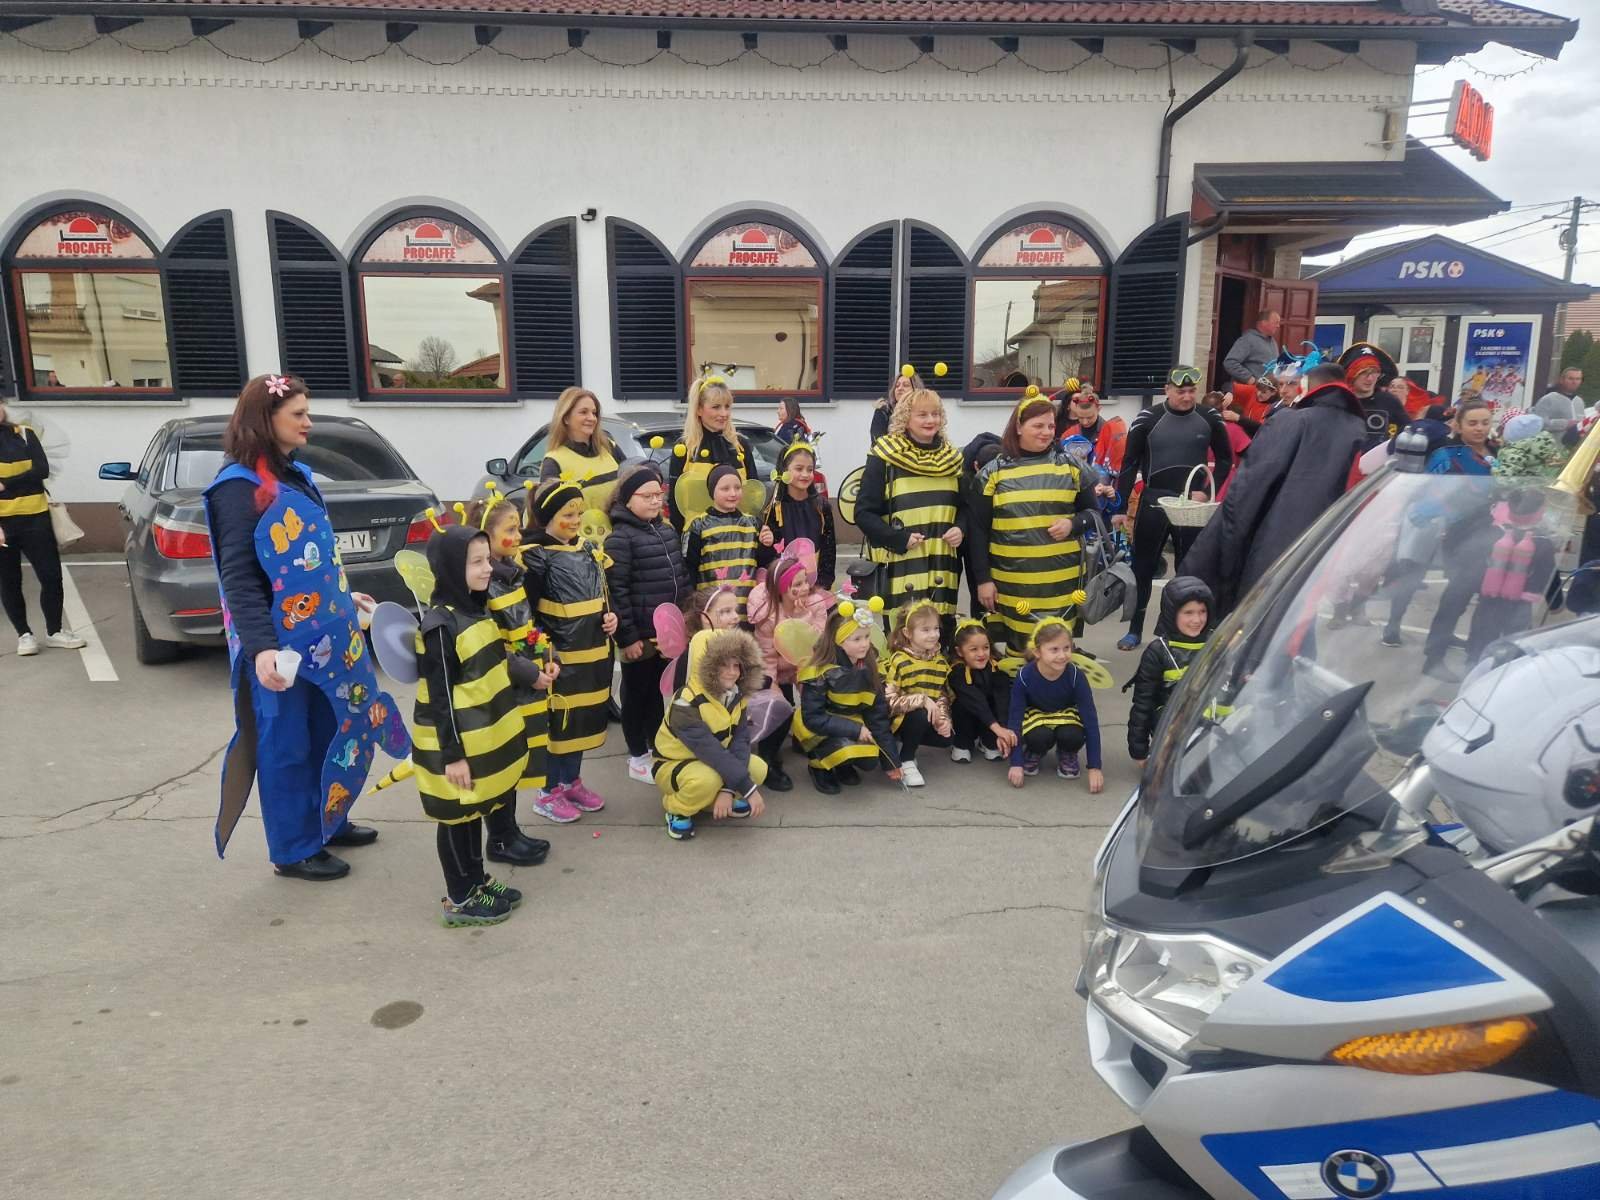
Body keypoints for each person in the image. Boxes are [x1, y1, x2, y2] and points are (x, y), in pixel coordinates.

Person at [202, 374, 404, 881]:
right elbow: (239, 578)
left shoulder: (294, 474)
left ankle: (326, 821)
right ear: (264, 420)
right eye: (298, 414)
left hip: (324, 636)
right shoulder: (237, 490)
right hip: (280, 647)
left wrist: (342, 597)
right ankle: (294, 848)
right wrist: (262, 649)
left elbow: (303, 558)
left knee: (328, 731)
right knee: (286, 745)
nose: (308, 422)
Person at [413, 525, 533, 927]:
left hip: (479, 740)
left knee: (475, 810)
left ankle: (477, 881)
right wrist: (453, 757)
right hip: (453, 747)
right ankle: (459, 898)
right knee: (456, 817)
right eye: (476, 562)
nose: (487, 569)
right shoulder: (440, 626)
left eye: (487, 560)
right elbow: (441, 697)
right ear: (451, 568)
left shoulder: (476, 610)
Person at [1182, 363, 1365, 617]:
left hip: (1275, 544)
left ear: (1306, 386)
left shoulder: (1289, 420)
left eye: (1291, 384)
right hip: (1326, 546)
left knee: (1259, 620)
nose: (1285, 391)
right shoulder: (1357, 427)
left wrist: (1225, 552)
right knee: (1297, 619)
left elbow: (1248, 491)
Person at [1112, 365, 1233, 650]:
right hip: (1154, 501)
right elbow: (1129, 464)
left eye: (1192, 391)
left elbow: (1225, 460)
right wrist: (1119, 506)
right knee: (1143, 568)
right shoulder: (1148, 418)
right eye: (1181, 391)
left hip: (1190, 505)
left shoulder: (1209, 417)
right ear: (1167, 390)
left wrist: (1207, 490)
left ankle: (1178, 632)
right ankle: (1135, 629)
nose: (1187, 397)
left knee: (1188, 571)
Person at [969, 390, 1097, 647]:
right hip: (1012, 583)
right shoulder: (992, 473)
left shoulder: (1071, 466)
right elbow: (978, 531)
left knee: (1056, 650)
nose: (1046, 432)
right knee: (1020, 651)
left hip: (1063, 583)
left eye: (1050, 426)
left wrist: (1073, 524)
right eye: (1038, 426)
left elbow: (1093, 513)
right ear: (1018, 427)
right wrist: (983, 580)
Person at [522, 478, 618, 820]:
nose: (576, 521)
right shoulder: (535, 557)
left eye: (579, 513)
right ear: (547, 517)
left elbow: (604, 595)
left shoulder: (590, 551)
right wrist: (539, 652)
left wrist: (612, 618)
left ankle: (570, 781)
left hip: (593, 655)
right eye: (567, 514)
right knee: (558, 723)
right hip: (558, 658)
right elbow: (526, 612)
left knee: (581, 720)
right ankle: (548, 791)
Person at [470, 488, 556, 864]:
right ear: (484, 536)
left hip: (524, 681)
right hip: (503, 686)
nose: (518, 536)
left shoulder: (510, 574)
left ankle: (509, 831)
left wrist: (548, 657)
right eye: (510, 529)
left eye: (518, 528)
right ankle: (500, 839)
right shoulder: (482, 585)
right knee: (502, 762)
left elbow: (527, 627)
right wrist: (528, 673)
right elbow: (489, 646)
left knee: (517, 759)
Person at [605, 462, 689, 786]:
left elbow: (681, 578)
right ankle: (637, 754)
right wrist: (627, 637)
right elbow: (617, 591)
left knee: (656, 693)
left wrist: (685, 622)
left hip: (664, 634)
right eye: (647, 495)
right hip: (638, 635)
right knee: (636, 695)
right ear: (627, 499)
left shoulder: (665, 531)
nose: (656, 501)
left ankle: (655, 745)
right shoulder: (620, 538)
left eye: (659, 494)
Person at [856, 386, 966, 625]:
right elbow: (863, 513)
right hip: (900, 567)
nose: (931, 420)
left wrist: (961, 527)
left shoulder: (952, 460)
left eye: (935, 414)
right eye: (922, 415)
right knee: (903, 635)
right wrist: (899, 538)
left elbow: (965, 507)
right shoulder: (884, 456)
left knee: (940, 635)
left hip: (942, 568)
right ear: (906, 418)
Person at [653, 627, 768, 841]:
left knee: (758, 769)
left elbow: (740, 742)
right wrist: (747, 790)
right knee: (707, 780)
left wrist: (728, 791)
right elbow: (710, 751)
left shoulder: (736, 695)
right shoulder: (685, 701)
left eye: (736, 665)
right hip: (673, 764)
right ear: (705, 665)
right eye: (723, 665)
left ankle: (711, 801)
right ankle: (676, 808)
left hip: (712, 761)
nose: (732, 672)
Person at [0, 402, 85, 655]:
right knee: (9, 582)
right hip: (3, 524)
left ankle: (54, 631)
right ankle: (24, 635)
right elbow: (33, 473)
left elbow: (42, 470)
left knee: (51, 576)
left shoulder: (25, 434)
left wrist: (6, 484)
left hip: (36, 517)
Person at [793, 601, 896, 795]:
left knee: (870, 759)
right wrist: (855, 730)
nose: (864, 644)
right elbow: (813, 718)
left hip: (849, 720)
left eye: (866, 637)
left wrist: (891, 762)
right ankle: (818, 766)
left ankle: (842, 764)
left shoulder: (871, 668)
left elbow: (878, 716)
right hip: (818, 724)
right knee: (842, 745)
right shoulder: (819, 671)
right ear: (838, 641)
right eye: (856, 639)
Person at [747, 552, 829, 792]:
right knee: (777, 708)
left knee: (818, 701)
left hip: (804, 662)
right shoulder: (767, 614)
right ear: (781, 589)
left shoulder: (815, 604)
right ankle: (769, 759)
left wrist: (804, 616)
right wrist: (772, 686)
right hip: (774, 666)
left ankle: (811, 746)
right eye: (797, 585)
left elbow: (817, 643)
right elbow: (766, 656)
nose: (805, 588)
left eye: (805, 582)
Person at [1005, 618, 1103, 792]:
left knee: (1073, 735)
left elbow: (1090, 720)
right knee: (1038, 737)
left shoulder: (1076, 676)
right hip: (1036, 716)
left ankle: (1067, 752)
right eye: (1054, 649)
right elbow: (1015, 720)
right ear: (1037, 652)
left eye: (1067, 648)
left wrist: (1095, 767)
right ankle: (1034, 751)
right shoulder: (1024, 676)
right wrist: (1016, 763)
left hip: (1065, 715)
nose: (1062, 655)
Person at [1126, 576, 1213, 765]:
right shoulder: (1158, 651)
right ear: (1172, 612)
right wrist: (1139, 751)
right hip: (1173, 724)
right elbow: (1143, 703)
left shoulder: (1217, 642)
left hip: (1212, 721)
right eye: (1188, 613)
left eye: (1202, 612)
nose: (1197, 620)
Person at [670, 374, 757, 531]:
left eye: (727, 406)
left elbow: (752, 498)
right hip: (697, 538)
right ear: (699, 409)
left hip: (738, 537)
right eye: (716, 407)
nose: (724, 413)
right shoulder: (684, 449)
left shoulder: (740, 446)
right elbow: (675, 504)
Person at [882, 599, 953, 788]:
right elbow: (889, 702)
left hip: (924, 714)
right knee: (920, 715)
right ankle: (906, 758)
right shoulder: (900, 660)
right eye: (925, 630)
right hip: (897, 719)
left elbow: (941, 694)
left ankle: (909, 742)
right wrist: (922, 700)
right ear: (908, 633)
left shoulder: (939, 661)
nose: (933, 635)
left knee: (946, 738)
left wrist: (943, 719)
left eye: (936, 628)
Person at [684, 464, 765, 618]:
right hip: (713, 609)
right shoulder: (698, 525)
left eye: (737, 487)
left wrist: (767, 545)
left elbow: (762, 562)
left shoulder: (753, 523)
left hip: (747, 606)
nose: (733, 493)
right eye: (725, 489)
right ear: (712, 492)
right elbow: (689, 568)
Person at [760, 441, 836, 590]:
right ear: (785, 470)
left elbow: (829, 549)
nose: (805, 474)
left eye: (810, 469)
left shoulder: (821, 507)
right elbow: (769, 554)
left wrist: (823, 585)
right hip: (785, 586)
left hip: (815, 584)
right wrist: (765, 544)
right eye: (799, 469)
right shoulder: (775, 508)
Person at [539, 386, 620, 514]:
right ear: (566, 418)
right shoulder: (553, 461)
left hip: (620, 526)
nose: (592, 418)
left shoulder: (609, 447)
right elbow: (551, 512)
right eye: (583, 412)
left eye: (594, 413)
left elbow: (631, 485)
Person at [947, 620, 1017, 764]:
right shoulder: (956, 671)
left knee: (997, 700)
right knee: (962, 705)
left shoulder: (996, 667)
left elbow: (1003, 699)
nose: (981, 654)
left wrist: (1003, 730)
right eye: (973, 649)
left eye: (985, 647)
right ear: (959, 651)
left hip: (990, 723)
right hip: (965, 719)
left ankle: (989, 741)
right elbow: (975, 700)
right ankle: (962, 743)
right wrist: (998, 729)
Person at [1055, 383, 1128, 477]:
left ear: (1099, 409)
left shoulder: (1112, 432)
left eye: (1089, 417)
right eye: (1080, 417)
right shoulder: (1069, 434)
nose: (1085, 422)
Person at [1427, 398, 1496, 476]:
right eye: (1472, 424)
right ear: (1459, 427)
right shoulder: (1447, 455)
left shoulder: (1498, 450)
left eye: (1485, 423)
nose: (1480, 428)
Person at [1222, 310, 1281, 385]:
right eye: (1276, 322)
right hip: (1250, 390)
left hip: (1268, 390)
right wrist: (1250, 379)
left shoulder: (1273, 342)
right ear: (1263, 323)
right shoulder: (1247, 340)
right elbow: (1230, 362)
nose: (1278, 326)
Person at [871, 367, 921, 444]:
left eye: (906, 385)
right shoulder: (884, 410)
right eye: (897, 386)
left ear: (916, 389)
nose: (899, 388)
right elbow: (878, 442)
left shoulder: (922, 411)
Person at [1533, 366, 1586, 436]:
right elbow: (1537, 423)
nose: (1574, 382)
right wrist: (1565, 424)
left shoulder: (1579, 401)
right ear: (1561, 380)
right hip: (1552, 441)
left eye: (1578, 379)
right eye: (1570, 378)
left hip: (1576, 442)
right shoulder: (1548, 399)